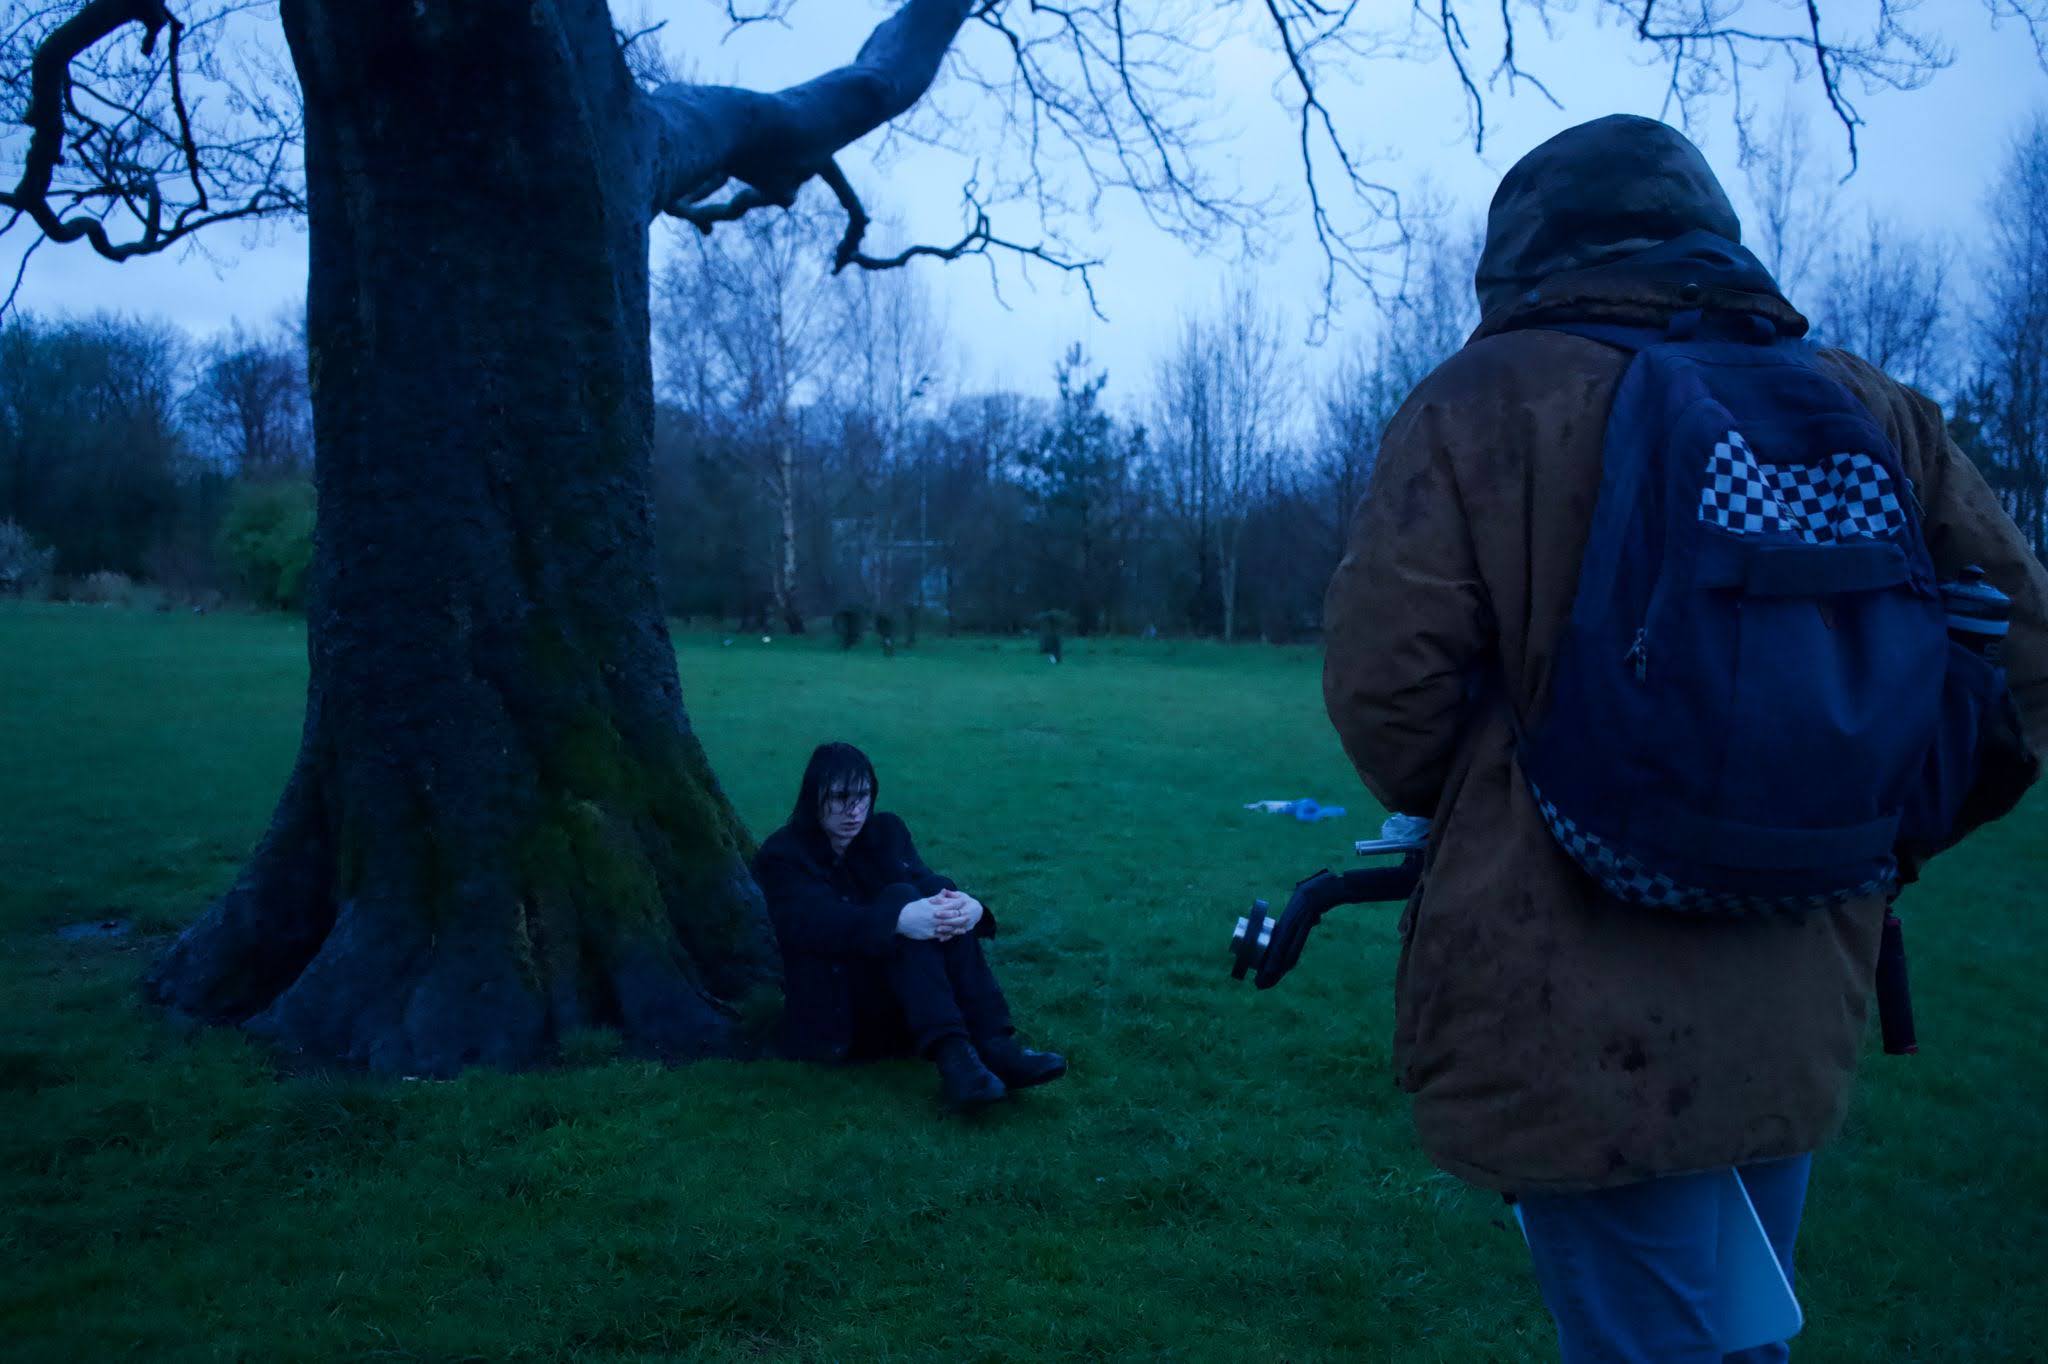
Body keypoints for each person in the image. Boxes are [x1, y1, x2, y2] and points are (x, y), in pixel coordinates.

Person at [1322, 114, 2047, 1363]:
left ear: (1523, 254)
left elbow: (1388, 694)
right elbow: (2017, 664)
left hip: (1572, 994)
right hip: (1799, 970)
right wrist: (1861, 818)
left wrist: (1519, 800)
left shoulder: (1479, 404)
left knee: (1649, 1344)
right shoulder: (1864, 402)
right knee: (1731, 1333)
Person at [752, 741, 1067, 1107]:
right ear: (813, 797)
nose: (853, 811)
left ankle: (994, 1045)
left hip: (900, 997)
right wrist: (896, 920)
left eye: (863, 796)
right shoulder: (784, 854)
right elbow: (813, 924)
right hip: (841, 1011)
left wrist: (970, 908)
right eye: (839, 797)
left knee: (934, 891)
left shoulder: (886, 832)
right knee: (902, 899)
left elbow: (926, 882)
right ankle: (956, 1057)